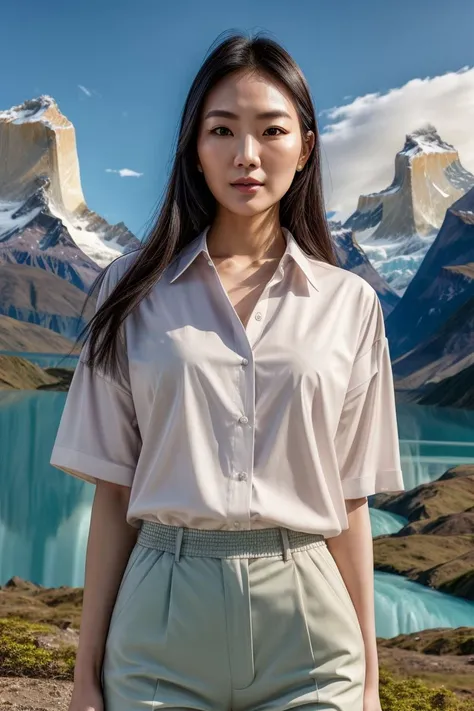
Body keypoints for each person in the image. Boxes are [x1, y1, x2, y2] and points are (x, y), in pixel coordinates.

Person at [50, 30, 405, 711]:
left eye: (271, 129)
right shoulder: (129, 291)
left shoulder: (349, 303)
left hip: (310, 633)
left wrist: (369, 680)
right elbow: (114, 493)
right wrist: (85, 676)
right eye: (222, 130)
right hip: (160, 625)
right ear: (194, 147)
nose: (246, 154)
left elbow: (352, 500)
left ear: (305, 147)